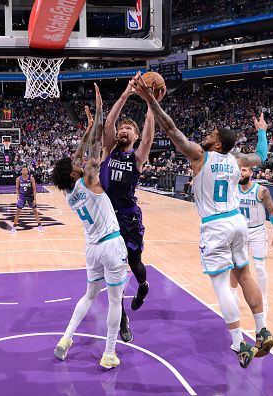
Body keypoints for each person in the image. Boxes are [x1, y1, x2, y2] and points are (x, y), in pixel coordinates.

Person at [132, 74, 273, 369]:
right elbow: (261, 155)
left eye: (211, 132)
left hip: (215, 225)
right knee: (245, 275)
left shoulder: (200, 155)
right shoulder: (237, 160)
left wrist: (151, 101)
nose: (207, 134)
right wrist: (262, 132)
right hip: (238, 222)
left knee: (222, 285)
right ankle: (262, 329)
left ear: (218, 142)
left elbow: (171, 129)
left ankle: (238, 344)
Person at [52, 84, 127, 369]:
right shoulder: (90, 178)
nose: (77, 159)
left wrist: (88, 126)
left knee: (89, 295)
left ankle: (66, 338)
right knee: (115, 300)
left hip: (92, 249)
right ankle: (109, 352)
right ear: (74, 172)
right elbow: (94, 146)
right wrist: (98, 111)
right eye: (74, 162)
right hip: (110, 244)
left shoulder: (71, 192)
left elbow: (83, 149)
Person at [100, 72, 162, 342]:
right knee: (115, 272)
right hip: (106, 220)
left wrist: (149, 103)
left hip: (128, 218)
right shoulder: (108, 150)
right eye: (121, 128)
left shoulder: (137, 157)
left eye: (129, 129)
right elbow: (109, 123)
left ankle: (144, 286)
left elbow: (149, 139)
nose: (123, 130)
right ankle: (124, 321)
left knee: (135, 264)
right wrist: (126, 94)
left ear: (135, 136)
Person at [230, 166, 273, 316]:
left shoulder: (261, 191)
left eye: (244, 170)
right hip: (240, 231)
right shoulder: (233, 189)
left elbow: (272, 211)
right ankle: (233, 295)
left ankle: (264, 299)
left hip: (257, 231)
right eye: (239, 170)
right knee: (236, 265)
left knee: (259, 267)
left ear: (251, 173)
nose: (241, 173)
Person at [10, 165, 44, 234]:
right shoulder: (18, 179)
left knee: (35, 211)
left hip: (30, 196)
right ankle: (14, 227)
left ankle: (40, 226)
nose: (25, 171)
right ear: (21, 171)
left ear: (27, 171)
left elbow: (34, 189)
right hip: (22, 196)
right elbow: (17, 188)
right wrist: (17, 196)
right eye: (23, 170)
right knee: (18, 211)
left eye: (26, 170)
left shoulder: (31, 178)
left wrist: (35, 199)